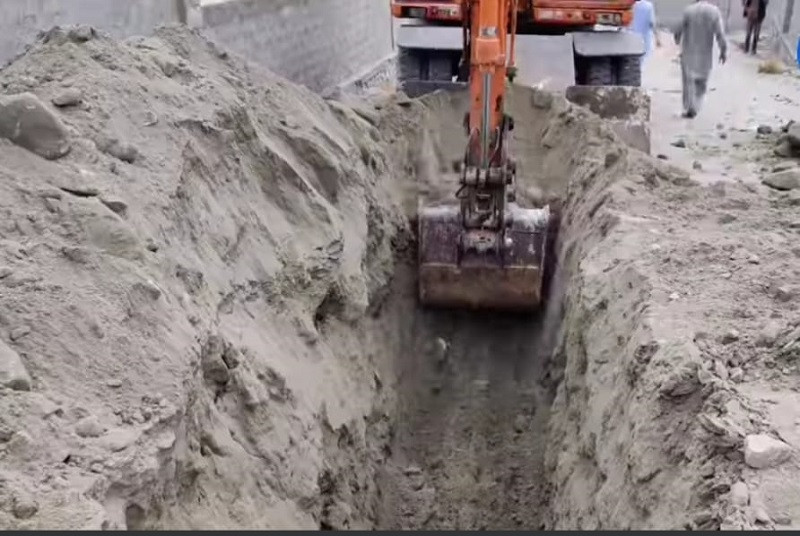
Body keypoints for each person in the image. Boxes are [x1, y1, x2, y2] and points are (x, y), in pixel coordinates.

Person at [674, 0, 728, 118]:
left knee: (689, 83)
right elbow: (720, 33)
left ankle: (690, 107)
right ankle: (697, 106)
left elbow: (678, 29)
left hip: (689, 52)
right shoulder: (714, 12)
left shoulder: (688, 10)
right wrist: (723, 50)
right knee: (702, 83)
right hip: (705, 54)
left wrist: (677, 39)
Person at [631, 0, 662, 65]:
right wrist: (657, 38)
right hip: (644, 40)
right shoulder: (648, 6)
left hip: (629, 38)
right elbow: (652, 23)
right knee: (641, 62)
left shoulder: (629, 5)